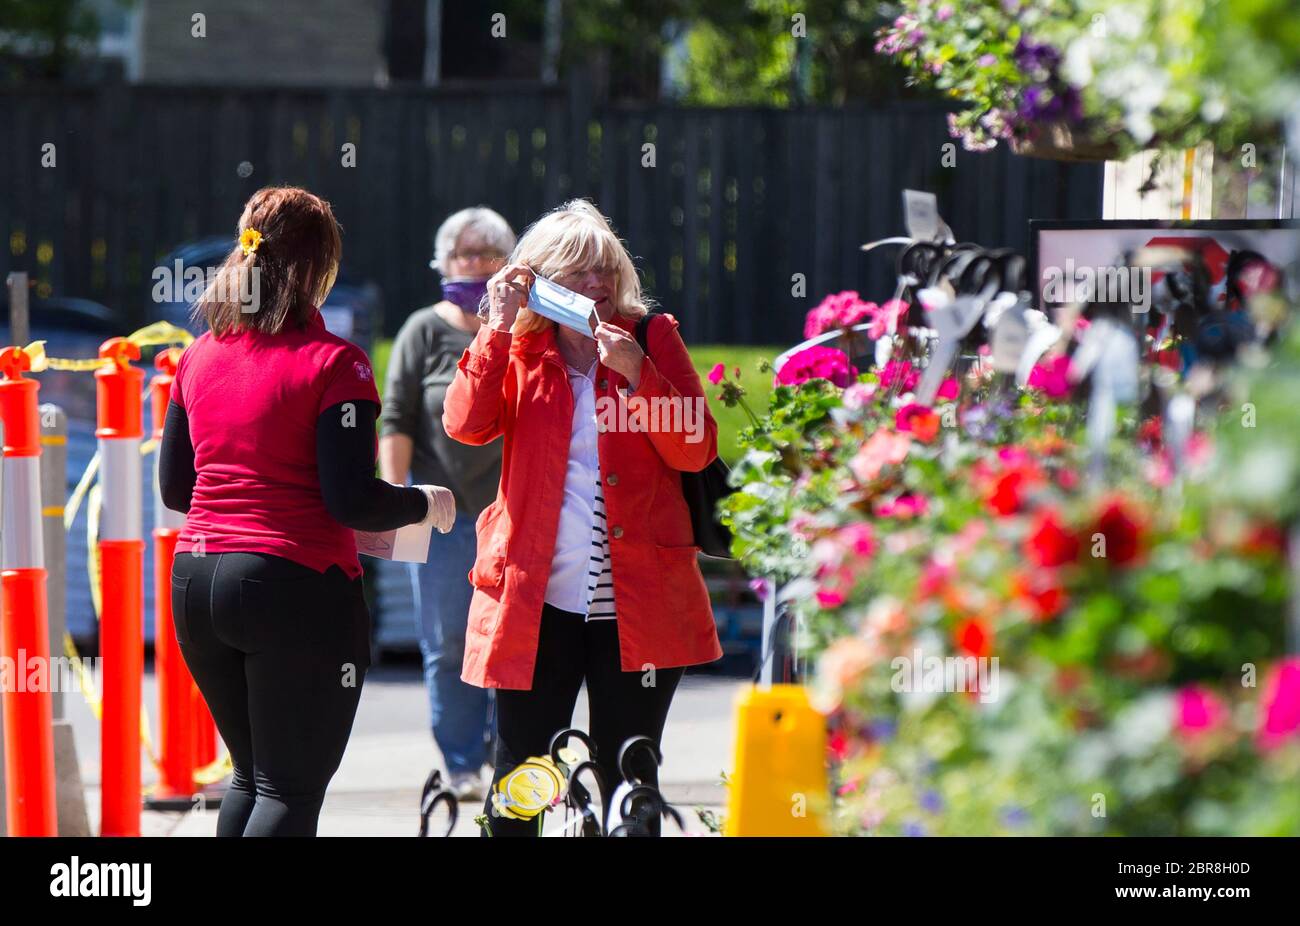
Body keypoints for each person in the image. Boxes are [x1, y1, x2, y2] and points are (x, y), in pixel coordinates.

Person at [159, 186, 456, 836]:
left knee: (252, 777)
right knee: (288, 790)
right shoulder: (335, 364)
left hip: (197, 582)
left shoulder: (198, 355)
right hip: (290, 586)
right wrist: (424, 504)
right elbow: (349, 498)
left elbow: (177, 491)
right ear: (318, 270)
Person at [442, 198, 723, 836]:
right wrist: (494, 326)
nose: (594, 283)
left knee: (630, 774)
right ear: (539, 280)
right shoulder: (520, 346)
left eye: (603, 269)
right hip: (534, 602)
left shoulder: (651, 336)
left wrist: (638, 375)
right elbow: (464, 424)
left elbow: (696, 446)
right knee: (521, 777)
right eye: (574, 272)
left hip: (637, 602)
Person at [379, 207, 515, 800]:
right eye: (466, 254)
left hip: (514, 518)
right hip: (442, 522)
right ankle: (462, 764)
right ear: (443, 261)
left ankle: (510, 759)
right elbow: (396, 418)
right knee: (451, 641)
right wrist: (396, 504)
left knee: (513, 639)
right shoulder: (422, 331)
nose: (477, 265)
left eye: (490, 255)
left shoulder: (523, 330)